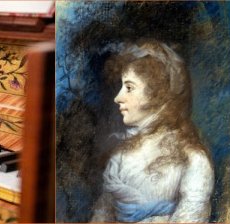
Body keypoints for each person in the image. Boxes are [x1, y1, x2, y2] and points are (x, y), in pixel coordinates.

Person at [90, 40, 214, 222]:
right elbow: (102, 215)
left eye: (129, 88)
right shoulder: (121, 156)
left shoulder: (192, 159)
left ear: (158, 94)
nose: (118, 97)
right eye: (121, 87)